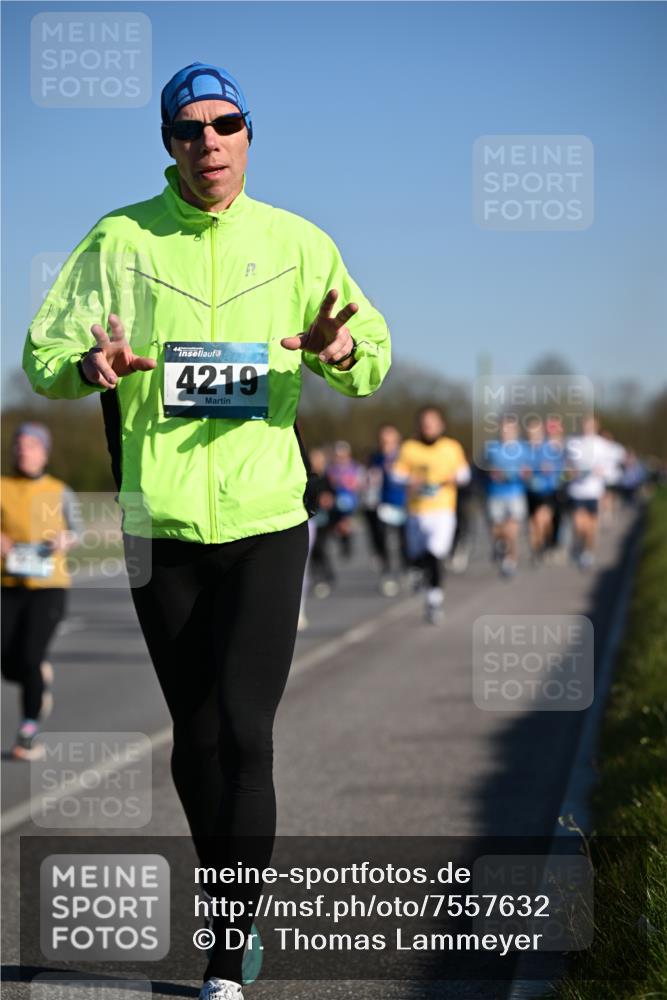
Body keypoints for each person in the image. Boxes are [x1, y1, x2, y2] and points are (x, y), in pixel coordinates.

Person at [23, 61, 391, 1000]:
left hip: (267, 515)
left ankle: (227, 952)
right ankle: (232, 896)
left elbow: (370, 355)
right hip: (158, 519)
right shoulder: (120, 239)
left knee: (244, 729)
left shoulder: (297, 242)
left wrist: (343, 349)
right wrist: (88, 365)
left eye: (225, 125)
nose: (209, 142)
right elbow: (42, 354)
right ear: (168, 144)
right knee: (193, 735)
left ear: (248, 136)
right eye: (189, 129)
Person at [1, 423, 80, 760]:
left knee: (31, 656)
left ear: (44, 453)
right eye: (19, 444)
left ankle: (28, 732)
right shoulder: (2, 487)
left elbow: (77, 531)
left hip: (49, 586)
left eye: (31, 445)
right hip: (8, 584)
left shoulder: (59, 490)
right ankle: (36, 678)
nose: (23, 450)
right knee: (8, 662)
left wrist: (65, 539)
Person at [392, 406, 470, 624]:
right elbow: (395, 474)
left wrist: (455, 478)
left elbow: (465, 474)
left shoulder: (451, 447)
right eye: (425, 423)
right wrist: (410, 480)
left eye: (432, 423)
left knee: (435, 552)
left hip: (443, 510)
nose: (428, 427)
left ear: (441, 425)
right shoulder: (409, 447)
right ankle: (419, 574)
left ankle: (434, 600)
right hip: (416, 511)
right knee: (418, 555)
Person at [364, 424, 409, 596]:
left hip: (402, 503)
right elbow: (370, 481)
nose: (386, 442)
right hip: (382, 505)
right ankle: (387, 574)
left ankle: (406, 570)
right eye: (383, 439)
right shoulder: (375, 458)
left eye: (390, 438)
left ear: (397, 439)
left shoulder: (405, 456)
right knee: (382, 541)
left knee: (404, 541)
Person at [483, 414, 529, 577]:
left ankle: (510, 561)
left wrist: (521, 473)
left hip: (515, 493)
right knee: (497, 530)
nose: (506, 431)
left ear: (516, 430)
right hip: (495, 494)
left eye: (510, 428)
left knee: (511, 530)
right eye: (503, 428)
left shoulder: (524, 449)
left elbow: (530, 471)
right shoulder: (491, 448)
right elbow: (481, 468)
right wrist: (490, 472)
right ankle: (500, 547)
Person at [565, 414, 608, 569]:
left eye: (590, 424)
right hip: (577, 491)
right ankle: (579, 544)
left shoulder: (602, 445)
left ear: (596, 426)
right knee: (578, 525)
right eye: (584, 424)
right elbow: (566, 466)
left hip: (594, 492)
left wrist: (600, 471)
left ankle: (588, 552)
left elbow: (609, 469)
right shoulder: (572, 442)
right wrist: (571, 472)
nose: (586, 427)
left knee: (591, 527)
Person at [523, 415, 563, 565]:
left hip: (548, 491)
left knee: (541, 519)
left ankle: (548, 543)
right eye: (530, 433)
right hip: (529, 492)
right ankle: (537, 550)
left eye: (536, 432)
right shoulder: (523, 449)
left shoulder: (550, 448)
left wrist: (550, 469)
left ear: (542, 433)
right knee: (533, 524)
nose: (533, 436)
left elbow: (560, 468)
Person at [326, 440, 363, 560]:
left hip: (350, 500)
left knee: (345, 523)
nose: (340, 458)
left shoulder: (354, 466)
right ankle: (343, 542)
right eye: (338, 455)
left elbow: (359, 483)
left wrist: (351, 484)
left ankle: (347, 544)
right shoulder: (332, 468)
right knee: (338, 525)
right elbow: (329, 482)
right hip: (336, 499)